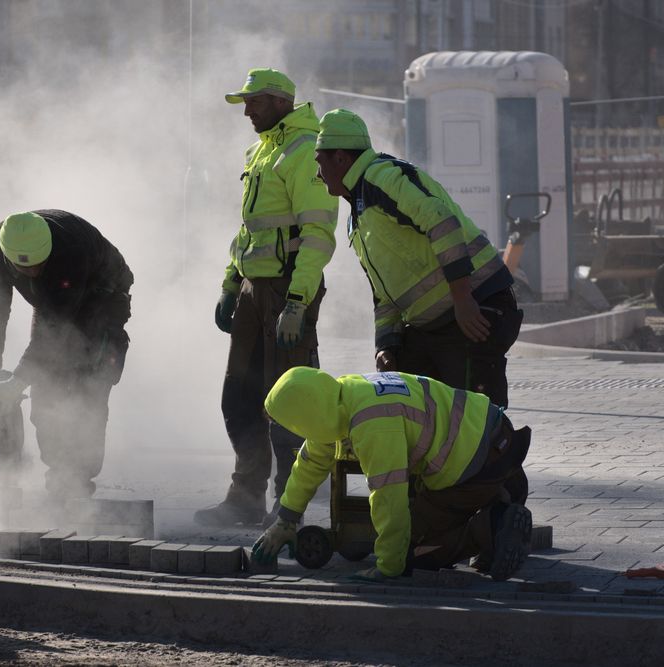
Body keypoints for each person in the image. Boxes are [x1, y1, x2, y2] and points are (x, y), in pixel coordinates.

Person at [194, 68, 338, 528]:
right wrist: (231, 284)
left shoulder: (302, 151)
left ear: (280, 101)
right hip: (255, 291)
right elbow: (249, 232)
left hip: (285, 289)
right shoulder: (262, 151)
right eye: (245, 103)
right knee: (238, 395)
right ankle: (244, 498)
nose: (247, 111)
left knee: (289, 400)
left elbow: (317, 235)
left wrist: (297, 301)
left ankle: (288, 505)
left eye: (253, 102)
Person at [312, 108, 523, 409]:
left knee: (474, 422)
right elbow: (383, 293)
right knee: (421, 417)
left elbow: (442, 223)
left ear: (342, 158)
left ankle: (497, 454)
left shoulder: (381, 177)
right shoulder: (356, 216)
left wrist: (462, 299)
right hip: (435, 325)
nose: (318, 175)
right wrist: (387, 345)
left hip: (474, 307)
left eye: (320, 163)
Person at [252, 366, 533, 582]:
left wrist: (388, 566)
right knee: (413, 517)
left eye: (292, 425)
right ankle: (505, 491)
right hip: (493, 431)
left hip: (476, 465)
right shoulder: (344, 395)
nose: (295, 432)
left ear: (306, 416)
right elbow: (310, 463)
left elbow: (389, 497)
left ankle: (495, 525)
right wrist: (286, 520)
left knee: (413, 549)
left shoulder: (372, 424)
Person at [0, 209, 133, 500]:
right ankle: (59, 476)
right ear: (9, 258)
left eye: (41, 264)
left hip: (102, 293)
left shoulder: (69, 252)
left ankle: (76, 481)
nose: (35, 271)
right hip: (53, 301)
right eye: (28, 268)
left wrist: (15, 382)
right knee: (47, 388)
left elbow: (56, 331)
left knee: (88, 383)